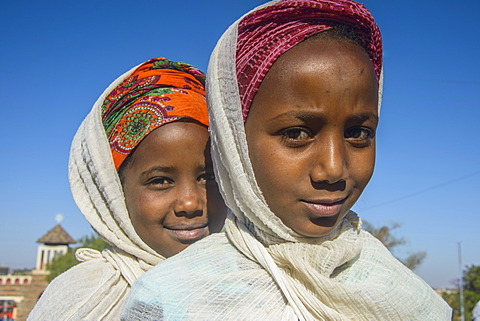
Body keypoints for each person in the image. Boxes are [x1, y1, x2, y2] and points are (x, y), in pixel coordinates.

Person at [122, 1, 452, 320]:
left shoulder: (405, 296)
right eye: (296, 134)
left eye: (358, 133)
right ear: (234, 140)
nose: (333, 169)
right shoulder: (169, 298)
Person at [27, 57, 226, 320]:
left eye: (208, 176)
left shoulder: (265, 279)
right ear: (115, 194)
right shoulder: (87, 300)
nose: (190, 203)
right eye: (160, 181)